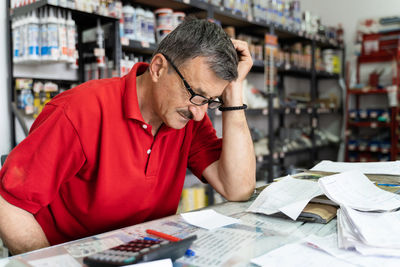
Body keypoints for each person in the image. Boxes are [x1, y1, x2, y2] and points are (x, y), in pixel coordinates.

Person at [0, 18, 256, 255]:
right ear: (157, 68)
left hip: (142, 254)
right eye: (196, 94)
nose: (200, 114)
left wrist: (233, 95)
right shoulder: (78, 111)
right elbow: (8, 205)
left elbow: (239, 189)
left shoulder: (188, 118)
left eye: (210, 101)